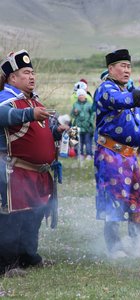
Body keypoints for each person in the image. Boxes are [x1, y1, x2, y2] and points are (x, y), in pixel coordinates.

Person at [0, 49, 67, 276]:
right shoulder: (4, 99)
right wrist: (30, 113)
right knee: (13, 219)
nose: (32, 77)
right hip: (13, 170)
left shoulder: (32, 101)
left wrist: (56, 131)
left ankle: (29, 256)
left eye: (33, 72)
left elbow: (40, 132)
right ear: (12, 78)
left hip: (37, 173)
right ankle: (7, 264)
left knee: (33, 215)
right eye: (26, 72)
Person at [93, 49, 140, 255]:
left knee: (135, 201)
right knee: (114, 200)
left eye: (129, 66)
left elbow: (130, 122)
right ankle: (114, 247)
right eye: (122, 66)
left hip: (130, 156)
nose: (127, 70)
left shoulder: (127, 90)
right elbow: (121, 101)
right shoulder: (106, 89)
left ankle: (138, 242)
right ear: (111, 69)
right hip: (112, 154)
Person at [70, 88, 95, 160]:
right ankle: (79, 154)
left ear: (85, 96)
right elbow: (72, 115)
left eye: (82, 95)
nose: (81, 97)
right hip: (78, 126)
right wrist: (75, 113)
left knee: (88, 142)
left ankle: (89, 154)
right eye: (79, 95)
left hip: (87, 126)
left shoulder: (89, 105)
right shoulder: (75, 104)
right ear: (78, 96)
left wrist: (90, 122)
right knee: (79, 142)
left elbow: (93, 114)